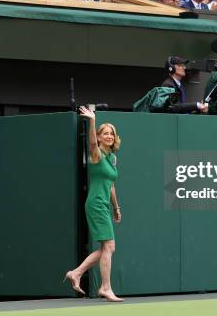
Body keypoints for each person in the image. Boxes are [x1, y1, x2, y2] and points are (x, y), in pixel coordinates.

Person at [65, 106, 123, 303]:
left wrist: (116, 207)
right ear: (99, 137)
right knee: (109, 245)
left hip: (104, 205)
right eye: (105, 134)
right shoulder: (96, 154)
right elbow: (90, 143)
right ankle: (105, 287)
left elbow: (112, 185)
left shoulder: (112, 158)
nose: (109, 136)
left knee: (108, 247)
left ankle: (76, 273)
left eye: (112, 134)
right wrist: (92, 121)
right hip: (95, 204)